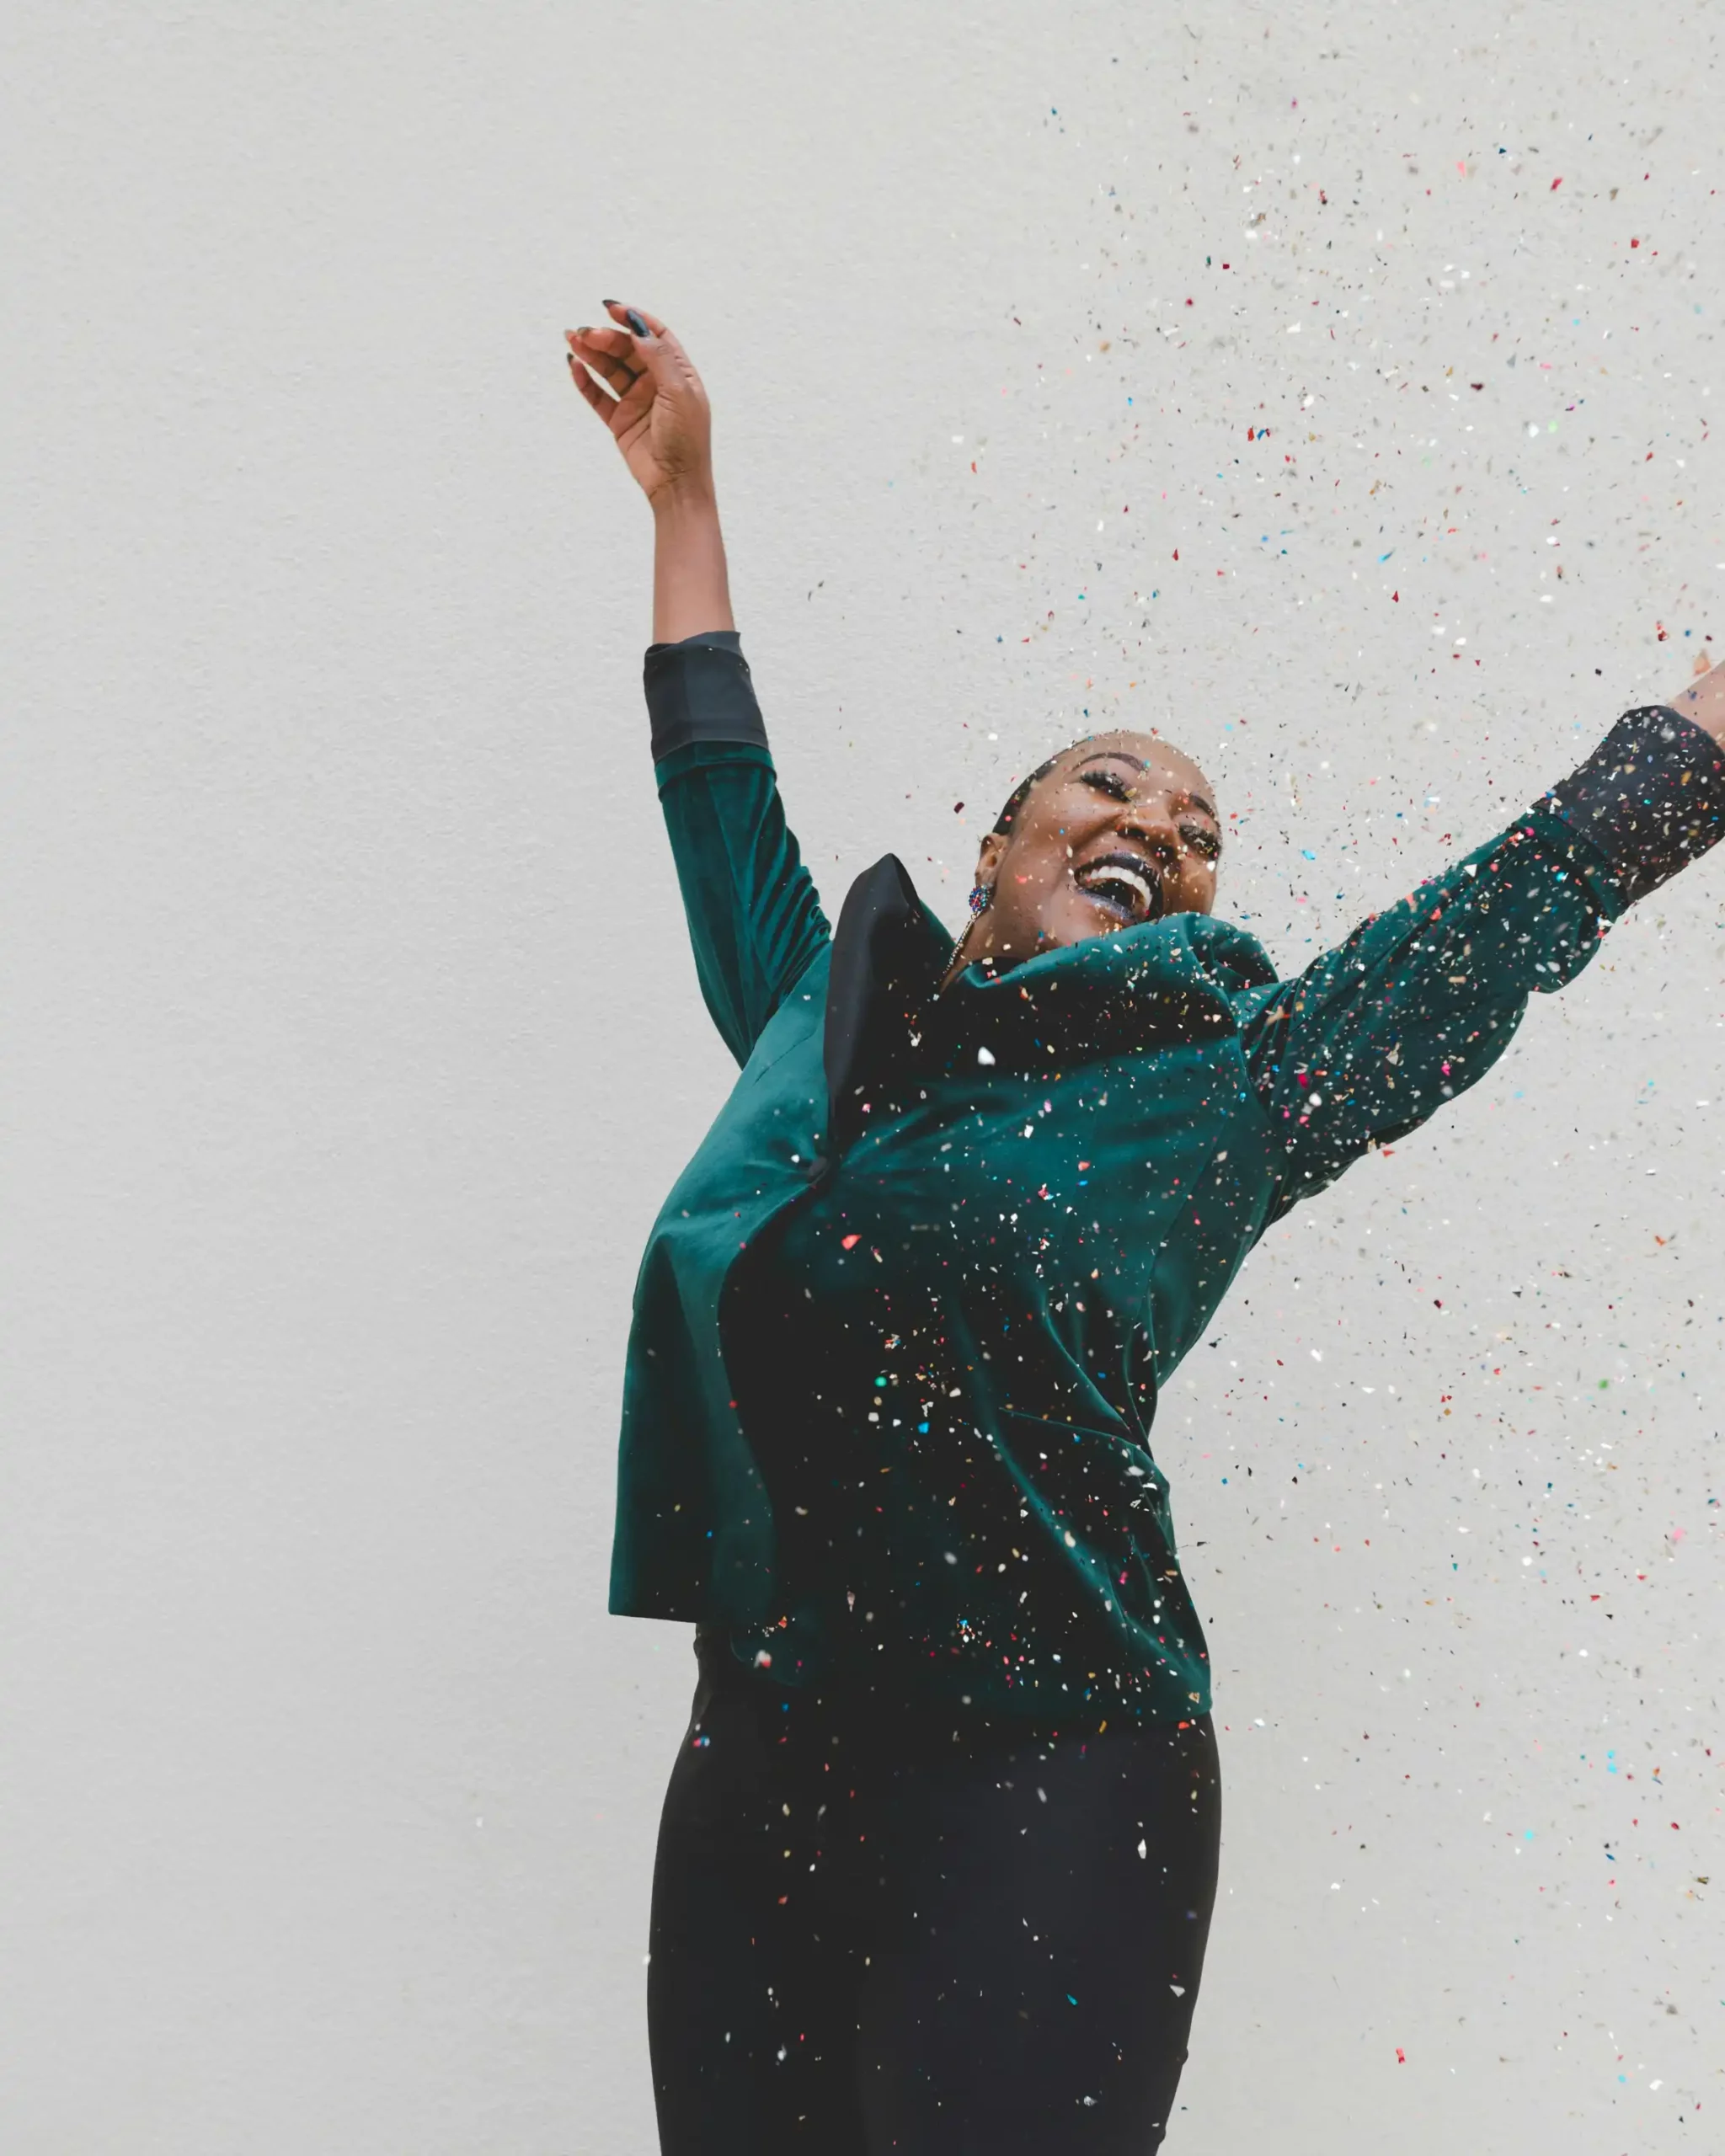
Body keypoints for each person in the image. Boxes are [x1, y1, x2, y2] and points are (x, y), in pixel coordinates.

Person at [566, 299, 1725, 2154]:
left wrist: (1700, 732)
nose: (1162, 828)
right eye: (1109, 783)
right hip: (763, 1754)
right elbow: (718, 801)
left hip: (1051, 1770)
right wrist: (681, 498)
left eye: (1199, 829)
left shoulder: (1224, 1089)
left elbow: (1481, 933)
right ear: (997, 847)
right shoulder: (824, 1032)